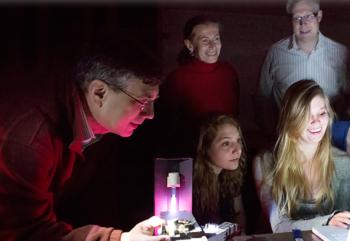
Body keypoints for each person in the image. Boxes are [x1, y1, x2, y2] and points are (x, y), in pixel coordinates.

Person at [0, 47, 170, 241]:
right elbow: (27, 234)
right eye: (142, 101)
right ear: (99, 93)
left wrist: (124, 238)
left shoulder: (98, 125)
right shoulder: (30, 140)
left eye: (153, 101)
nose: (150, 114)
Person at [253, 79, 350, 233]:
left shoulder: (344, 164)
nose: (316, 121)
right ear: (290, 118)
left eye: (322, 113)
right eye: (306, 114)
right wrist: (327, 221)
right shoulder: (266, 162)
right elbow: (278, 226)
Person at [256, 0, 349, 139]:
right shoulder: (275, 53)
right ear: (291, 21)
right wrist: (269, 133)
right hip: (288, 138)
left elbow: (348, 97)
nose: (303, 23)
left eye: (308, 16)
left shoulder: (341, 53)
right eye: (297, 18)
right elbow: (262, 97)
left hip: (330, 139)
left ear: (319, 17)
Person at [158, 15, 239, 157]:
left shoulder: (229, 72)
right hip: (190, 155)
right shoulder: (177, 79)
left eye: (216, 39)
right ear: (190, 45)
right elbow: (166, 128)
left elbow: (235, 114)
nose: (213, 46)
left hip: (226, 155)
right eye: (205, 40)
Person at [192, 114, 246, 230]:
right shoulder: (190, 185)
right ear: (205, 148)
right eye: (226, 143)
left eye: (238, 140)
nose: (238, 149)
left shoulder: (231, 176)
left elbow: (239, 217)